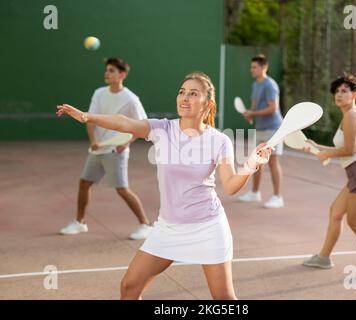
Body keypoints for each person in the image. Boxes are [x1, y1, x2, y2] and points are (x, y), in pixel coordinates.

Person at [56, 72, 272, 299]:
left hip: (208, 227)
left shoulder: (219, 141)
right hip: (168, 228)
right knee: (129, 287)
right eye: (182, 92)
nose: (184, 98)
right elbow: (125, 122)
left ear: (207, 104)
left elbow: (229, 185)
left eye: (193, 94)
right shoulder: (163, 129)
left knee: (224, 299)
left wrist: (251, 164)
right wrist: (87, 117)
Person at [302, 74, 356, 279]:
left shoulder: (352, 116)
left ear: (354, 94)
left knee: (355, 222)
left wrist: (326, 154)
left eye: (345, 91)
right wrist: (317, 146)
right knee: (336, 212)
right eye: (337, 91)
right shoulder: (347, 116)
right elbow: (342, 147)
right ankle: (324, 257)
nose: (339, 95)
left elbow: (349, 149)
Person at [59, 58, 152, 240]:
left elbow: (143, 126)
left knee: (122, 189)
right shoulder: (99, 93)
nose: (107, 73)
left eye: (111, 70)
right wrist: (93, 140)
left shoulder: (131, 100)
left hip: (115, 152)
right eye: (107, 70)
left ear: (122, 75)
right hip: (97, 150)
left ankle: (146, 225)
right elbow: (89, 118)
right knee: (84, 183)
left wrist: (125, 143)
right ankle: (80, 222)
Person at [238, 54, 285, 208]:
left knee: (272, 161)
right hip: (260, 128)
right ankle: (255, 193)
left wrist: (253, 114)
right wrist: (250, 114)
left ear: (264, 67)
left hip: (274, 128)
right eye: (251, 67)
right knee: (257, 161)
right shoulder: (255, 84)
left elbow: (273, 108)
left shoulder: (270, 85)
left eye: (254, 67)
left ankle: (278, 197)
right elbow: (254, 105)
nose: (251, 70)